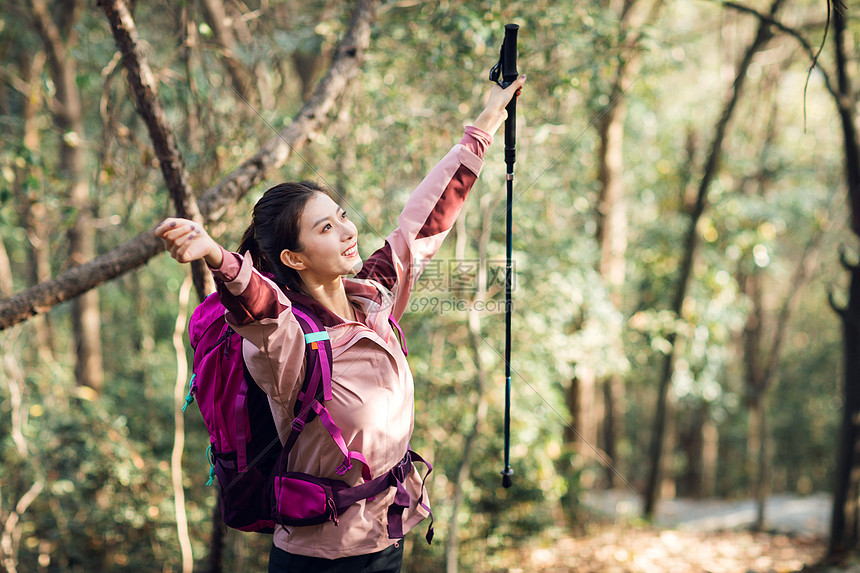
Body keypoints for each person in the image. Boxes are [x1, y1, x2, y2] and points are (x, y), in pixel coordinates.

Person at [156, 73, 526, 573]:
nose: (348, 230)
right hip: (320, 560)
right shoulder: (289, 343)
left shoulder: (374, 295)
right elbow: (262, 311)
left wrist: (485, 122)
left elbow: (423, 224)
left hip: (385, 539)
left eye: (342, 216)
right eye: (325, 228)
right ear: (294, 257)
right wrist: (217, 257)